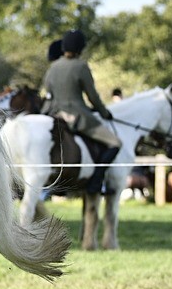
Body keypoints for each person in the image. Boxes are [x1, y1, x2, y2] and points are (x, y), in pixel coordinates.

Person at [40, 29, 122, 194]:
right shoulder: (81, 66)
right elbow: (92, 96)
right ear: (80, 48)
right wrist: (105, 113)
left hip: (54, 114)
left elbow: (48, 94)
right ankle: (96, 182)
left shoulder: (53, 67)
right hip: (78, 117)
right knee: (115, 143)